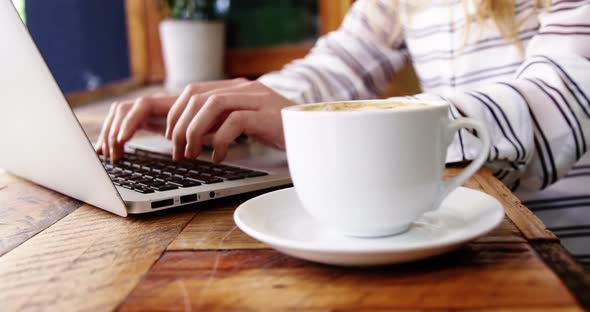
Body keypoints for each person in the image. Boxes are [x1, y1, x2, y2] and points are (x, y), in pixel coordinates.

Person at [95, 0, 590, 268]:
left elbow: (559, 102)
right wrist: (238, 107)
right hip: (453, 243)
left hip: (560, 254)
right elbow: (335, 67)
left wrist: (345, 128)